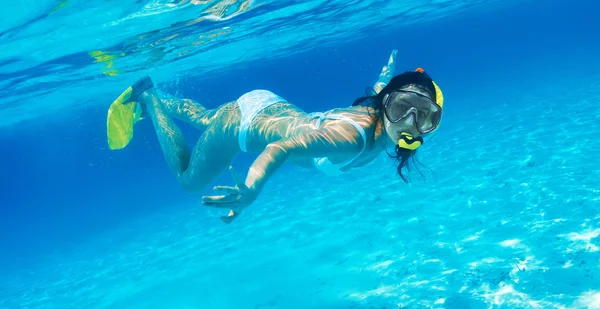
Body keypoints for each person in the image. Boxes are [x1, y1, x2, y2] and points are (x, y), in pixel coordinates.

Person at [106, 50, 444, 223]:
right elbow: (281, 147)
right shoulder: (352, 138)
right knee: (189, 182)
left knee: (208, 117)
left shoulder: (380, 108)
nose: (409, 122)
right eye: (403, 107)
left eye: (424, 116)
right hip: (243, 128)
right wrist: (251, 190)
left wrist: (390, 71)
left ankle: (158, 98)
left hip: (269, 106)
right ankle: (149, 99)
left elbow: (380, 86)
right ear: (387, 104)